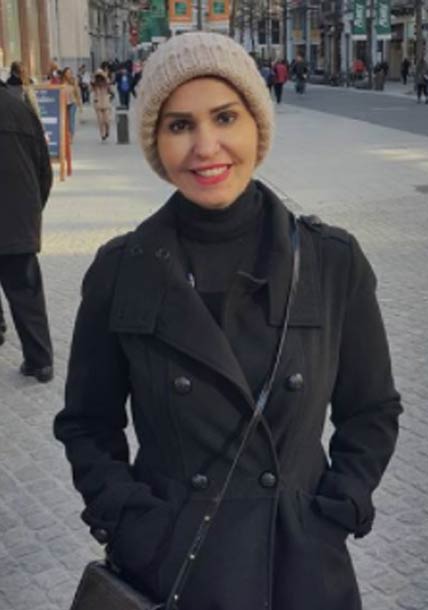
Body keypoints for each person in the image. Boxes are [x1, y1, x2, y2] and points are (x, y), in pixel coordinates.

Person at [54, 32, 402, 610]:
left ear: (256, 126)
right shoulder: (121, 269)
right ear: (157, 141)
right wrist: (133, 523)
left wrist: (337, 509)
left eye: (224, 117)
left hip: (301, 569)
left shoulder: (331, 260)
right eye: (180, 125)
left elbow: (372, 409)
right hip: (173, 569)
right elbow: (88, 424)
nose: (205, 146)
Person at [0, 80, 53, 382]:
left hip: (18, 220)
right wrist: (32, 210)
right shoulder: (21, 110)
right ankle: (40, 361)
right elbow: (44, 169)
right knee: (26, 293)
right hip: (18, 221)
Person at [91, 69, 113, 141]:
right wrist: (95, 76)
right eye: (98, 76)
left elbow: (110, 88)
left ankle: (107, 131)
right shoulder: (94, 84)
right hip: (98, 103)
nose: (99, 78)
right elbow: (91, 86)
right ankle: (102, 134)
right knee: (100, 120)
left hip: (106, 103)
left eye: (100, 76)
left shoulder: (106, 83)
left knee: (107, 120)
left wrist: (104, 76)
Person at [60, 67, 82, 140]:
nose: (69, 74)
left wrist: (80, 104)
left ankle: (71, 136)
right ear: (64, 73)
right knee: (65, 119)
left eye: (70, 72)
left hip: (72, 102)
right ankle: (66, 134)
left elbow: (77, 92)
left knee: (71, 119)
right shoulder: (61, 82)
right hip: (64, 103)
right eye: (67, 72)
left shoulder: (73, 81)